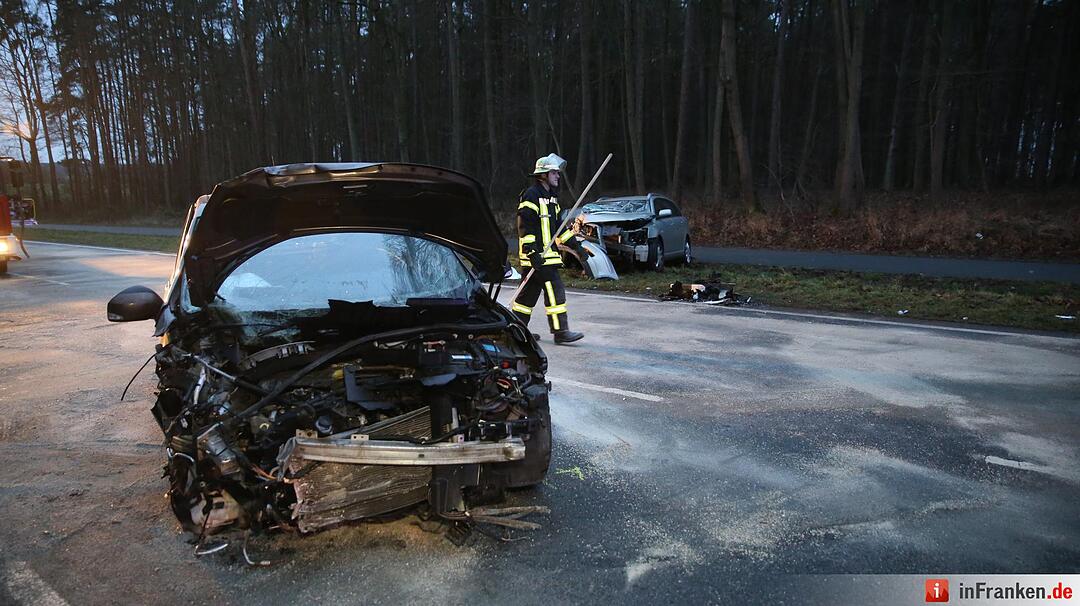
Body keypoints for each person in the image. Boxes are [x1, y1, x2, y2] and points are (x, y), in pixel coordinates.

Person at [510, 153, 591, 344]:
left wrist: (577, 248)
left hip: (546, 256)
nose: (558, 176)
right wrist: (532, 252)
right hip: (538, 257)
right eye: (554, 172)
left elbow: (559, 230)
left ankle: (517, 331)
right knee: (555, 290)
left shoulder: (552, 199)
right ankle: (560, 332)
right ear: (543, 175)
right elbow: (525, 226)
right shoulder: (531, 195)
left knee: (526, 298)